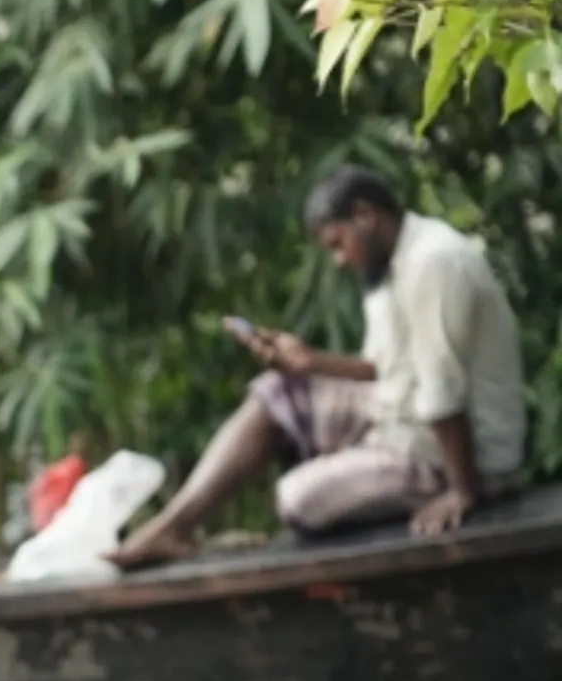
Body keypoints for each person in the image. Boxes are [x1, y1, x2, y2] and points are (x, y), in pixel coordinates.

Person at [115, 166, 526, 569]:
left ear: (364, 216)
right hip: (404, 419)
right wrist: (309, 362)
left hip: (464, 459)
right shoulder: (391, 264)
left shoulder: (434, 263)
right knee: (278, 389)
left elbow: (442, 392)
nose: (338, 260)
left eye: (337, 244)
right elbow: (383, 369)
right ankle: (174, 527)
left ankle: (425, 480)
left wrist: (462, 492)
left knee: (297, 499)